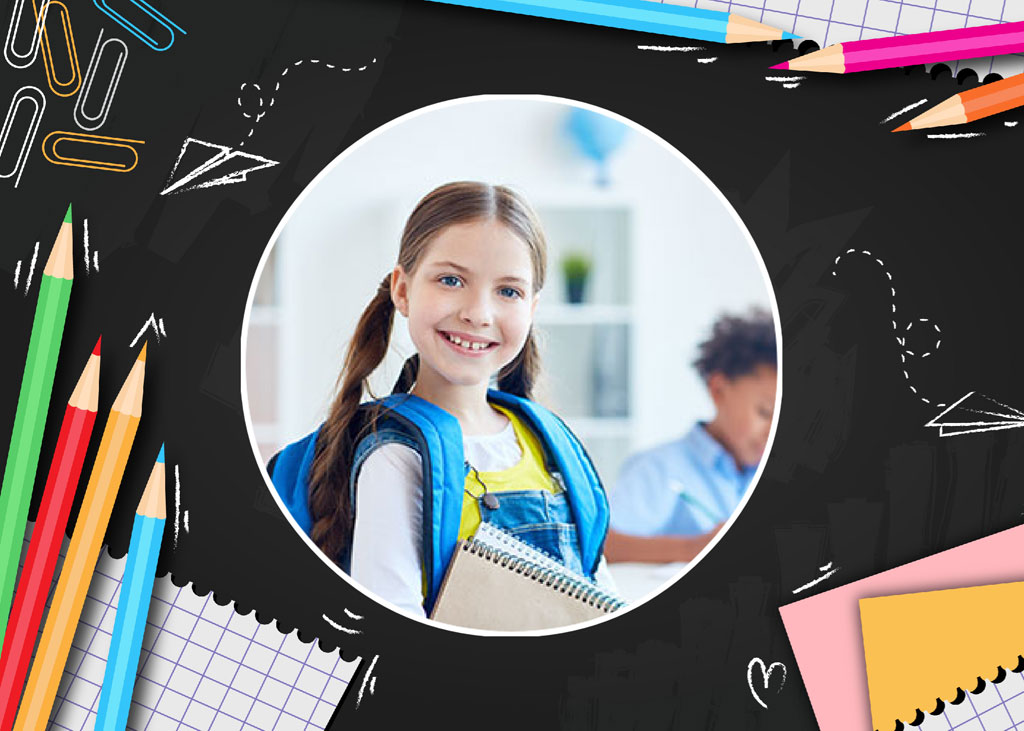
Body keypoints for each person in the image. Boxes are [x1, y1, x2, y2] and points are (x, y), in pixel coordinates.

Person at [268, 181, 615, 619]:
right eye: (451, 280)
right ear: (403, 290)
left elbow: (599, 595)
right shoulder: (395, 455)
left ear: (532, 308)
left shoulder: (551, 441)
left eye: (509, 291)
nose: (478, 313)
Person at [604, 310, 777, 563]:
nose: (774, 429)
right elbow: (604, 544)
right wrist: (692, 549)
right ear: (719, 391)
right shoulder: (659, 468)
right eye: (766, 412)